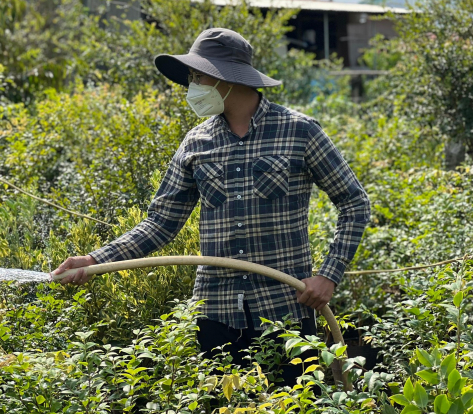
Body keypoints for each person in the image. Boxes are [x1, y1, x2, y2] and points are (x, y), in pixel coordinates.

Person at [52, 28, 371, 387]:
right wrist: (94, 260)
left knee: (295, 412)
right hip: (216, 314)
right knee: (222, 413)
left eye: (198, 76)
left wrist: (328, 275)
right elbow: (160, 224)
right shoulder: (196, 143)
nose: (192, 87)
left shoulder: (299, 131)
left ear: (226, 78)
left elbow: (355, 203)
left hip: (285, 311)